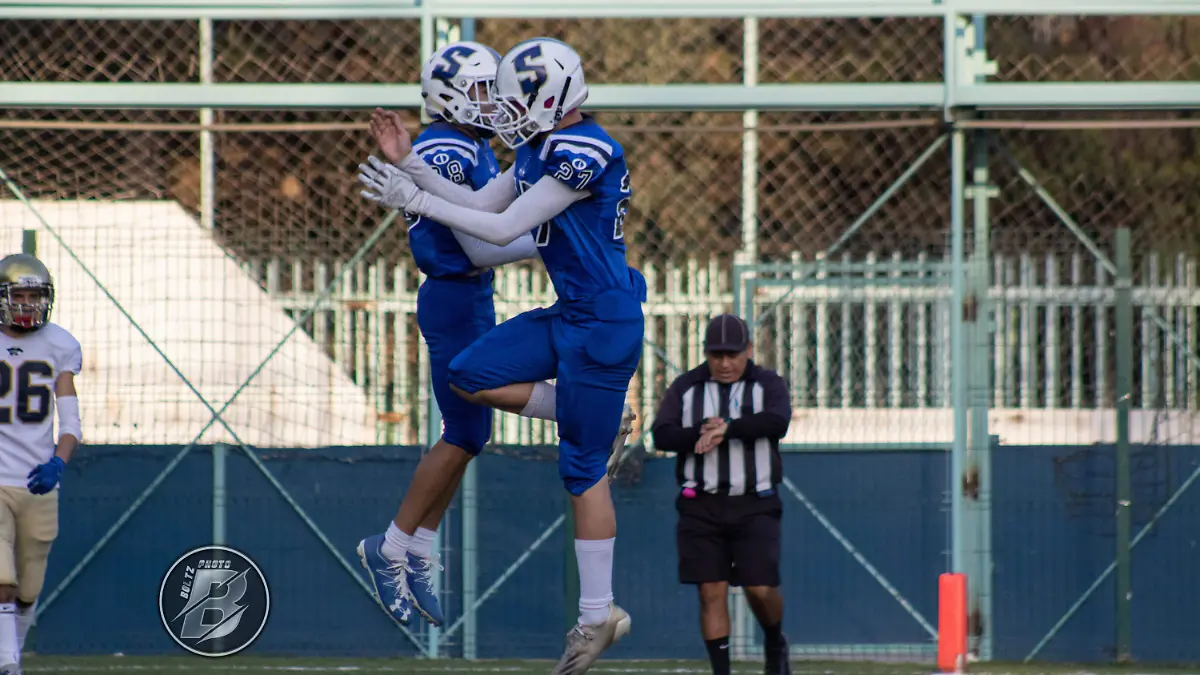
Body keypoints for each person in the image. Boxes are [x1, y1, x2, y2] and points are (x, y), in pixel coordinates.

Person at [359, 37, 641, 675]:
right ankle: (582, 412)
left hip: (604, 322)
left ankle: (597, 613)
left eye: (516, 98)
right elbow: (483, 204)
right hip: (570, 314)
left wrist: (415, 199)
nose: (505, 110)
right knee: (469, 374)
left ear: (552, 98)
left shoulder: (588, 148)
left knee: (582, 470)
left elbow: (503, 229)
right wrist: (412, 167)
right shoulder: (543, 145)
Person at [355, 41, 541, 630]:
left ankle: (418, 547)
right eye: (482, 89)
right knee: (464, 430)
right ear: (449, 95)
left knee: (470, 434)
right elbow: (478, 244)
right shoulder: (446, 149)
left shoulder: (467, 143)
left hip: (467, 295)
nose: (492, 100)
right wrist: (546, 242)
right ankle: (390, 545)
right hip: (455, 297)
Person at [650, 314, 793, 675]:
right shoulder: (686, 387)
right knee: (710, 590)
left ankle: (774, 640)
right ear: (705, 353)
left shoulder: (768, 384)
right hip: (701, 504)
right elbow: (661, 434)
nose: (725, 364)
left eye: (733, 355)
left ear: (749, 350)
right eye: (717, 355)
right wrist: (701, 432)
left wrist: (729, 430)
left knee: (760, 588)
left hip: (756, 503)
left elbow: (778, 421)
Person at [0, 254, 83, 675]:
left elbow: (71, 424)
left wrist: (58, 463)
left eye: (35, 297)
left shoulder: (61, 345)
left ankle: (11, 651)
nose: (28, 304)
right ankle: (7, 662)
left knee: (28, 589)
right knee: (2, 579)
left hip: (37, 480)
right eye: (20, 295)